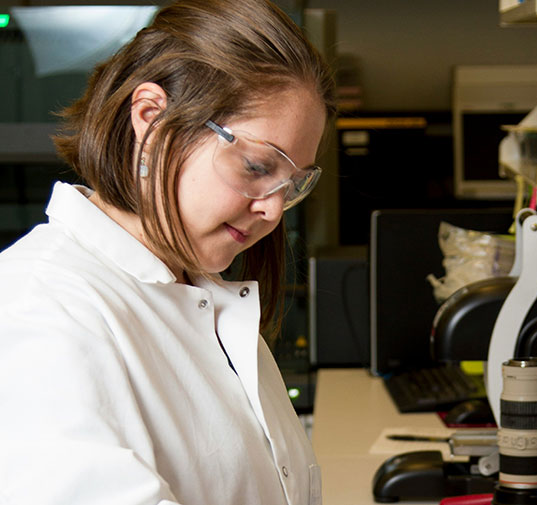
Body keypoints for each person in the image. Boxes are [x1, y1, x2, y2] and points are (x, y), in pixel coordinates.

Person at [0, 0, 335, 503]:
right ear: (152, 120)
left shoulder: (202, 298)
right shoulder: (39, 312)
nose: (272, 210)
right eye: (257, 167)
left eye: (292, 184)